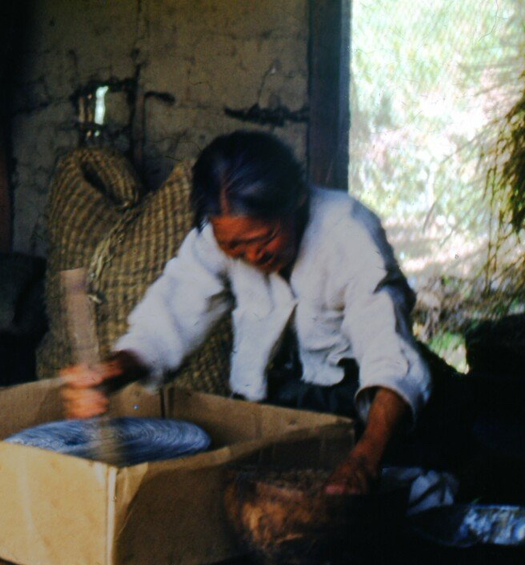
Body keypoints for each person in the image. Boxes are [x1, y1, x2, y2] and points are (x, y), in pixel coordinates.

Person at [61, 130, 431, 495]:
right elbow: (175, 307)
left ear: (297, 199)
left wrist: (364, 459)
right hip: (270, 401)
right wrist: (117, 368)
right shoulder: (219, 236)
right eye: (235, 248)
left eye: (265, 239)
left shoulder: (348, 232)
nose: (253, 258)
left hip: (351, 406)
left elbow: (388, 353)